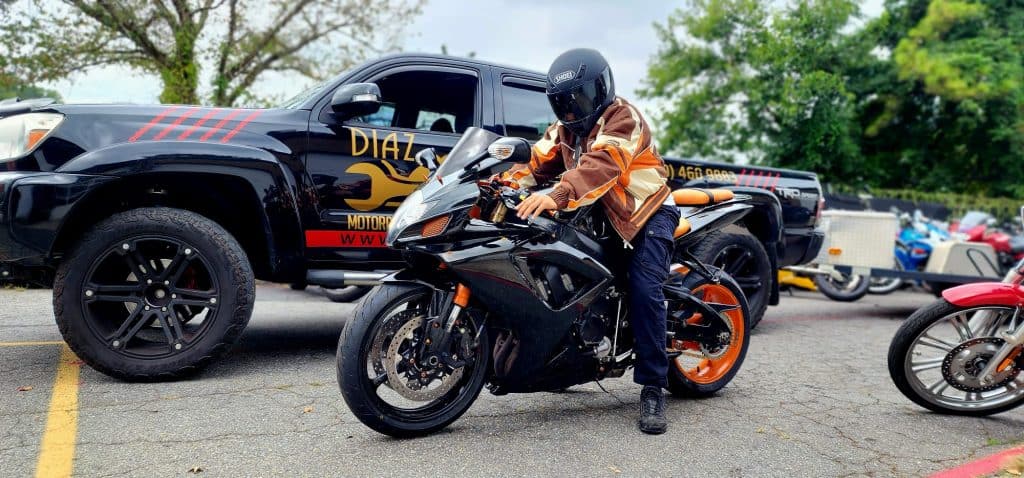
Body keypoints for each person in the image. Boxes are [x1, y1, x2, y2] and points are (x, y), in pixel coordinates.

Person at [507, 48, 679, 435]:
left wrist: (558, 194)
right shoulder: (564, 130)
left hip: (644, 214)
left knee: (644, 289)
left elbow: (601, 165)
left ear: (601, 89)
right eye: (563, 104)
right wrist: (504, 183)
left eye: (578, 101)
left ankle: (653, 386)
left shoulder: (623, 118)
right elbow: (535, 162)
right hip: (599, 214)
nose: (572, 111)